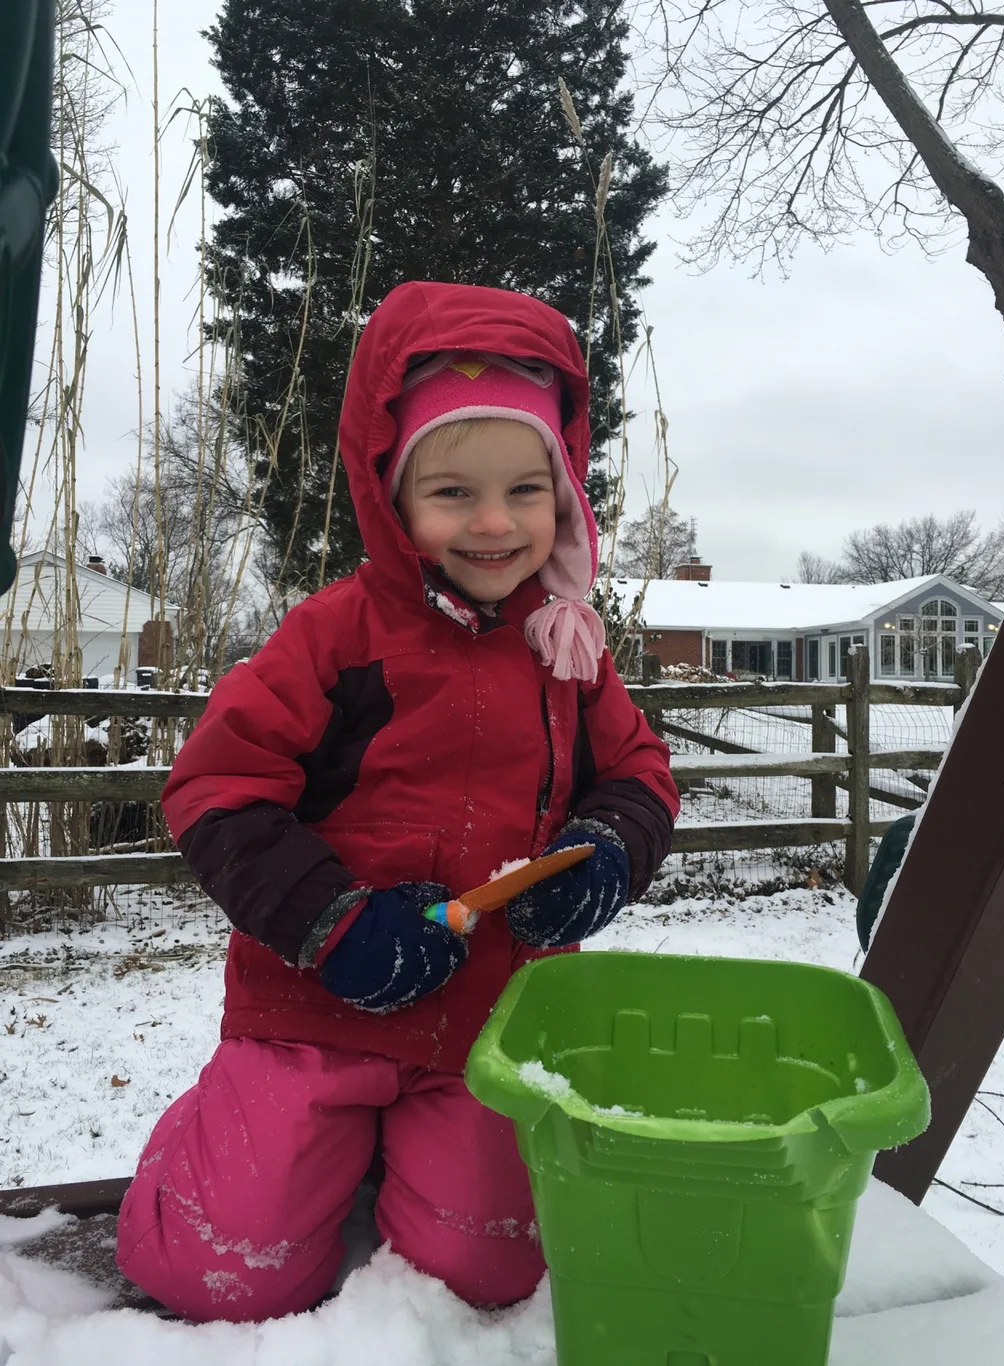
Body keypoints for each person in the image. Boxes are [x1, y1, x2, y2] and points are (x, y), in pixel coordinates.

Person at [116, 280, 679, 1323]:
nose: (496, 522)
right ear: (389, 490)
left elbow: (640, 776)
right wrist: (332, 923)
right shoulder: (334, 636)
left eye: (525, 488)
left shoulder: (566, 650)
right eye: (453, 491)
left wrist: (602, 855)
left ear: (565, 493)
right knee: (221, 1272)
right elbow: (215, 786)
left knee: (488, 1274)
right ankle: (227, 1140)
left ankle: (404, 1161)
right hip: (312, 1010)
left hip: (485, 1026)